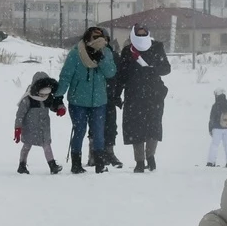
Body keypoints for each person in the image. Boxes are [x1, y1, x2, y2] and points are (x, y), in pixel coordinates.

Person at [55, 26, 116, 174]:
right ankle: (76, 164)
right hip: (78, 102)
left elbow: (111, 73)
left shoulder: (106, 52)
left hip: (99, 101)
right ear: (87, 37)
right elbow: (66, 76)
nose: (98, 40)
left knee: (98, 133)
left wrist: (101, 59)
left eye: (100, 37)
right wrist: (58, 96)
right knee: (80, 131)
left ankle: (100, 164)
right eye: (95, 37)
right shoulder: (76, 53)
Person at [114, 23, 171, 173]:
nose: (141, 36)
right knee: (135, 128)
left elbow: (166, 68)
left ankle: (150, 156)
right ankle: (139, 161)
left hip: (154, 94)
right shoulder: (128, 51)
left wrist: (152, 70)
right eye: (138, 34)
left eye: (143, 33)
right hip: (134, 95)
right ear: (133, 34)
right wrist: (116, 94)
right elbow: (122, 75)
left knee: (153, 127)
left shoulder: (157, 47)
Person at [14, 70, 67, 175]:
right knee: (26, 146)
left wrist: (60, 108)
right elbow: (20, 115)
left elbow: (54, 105)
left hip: (44, 127)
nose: (44, 96)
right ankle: (22, 165)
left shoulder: (48, 98)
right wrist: (18, 128)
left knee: (47, 145)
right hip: (30, 128)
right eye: (42, 94)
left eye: (46, 94)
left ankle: (52, 166)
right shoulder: (27, 99)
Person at [87, 29, 125, 169]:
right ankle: (93, 154)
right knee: (94, 125)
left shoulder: (114, 55)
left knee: (111, 125)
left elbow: (119, 77)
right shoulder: (88, 53)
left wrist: (117, 94)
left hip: (109, 96)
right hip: (94, 96)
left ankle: (109, 152)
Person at [207, 88, 227, 168]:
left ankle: (211, 162)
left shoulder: (215, 105)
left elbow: (212, 118)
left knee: (214, 145)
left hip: (217, 128)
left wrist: (210, 129)